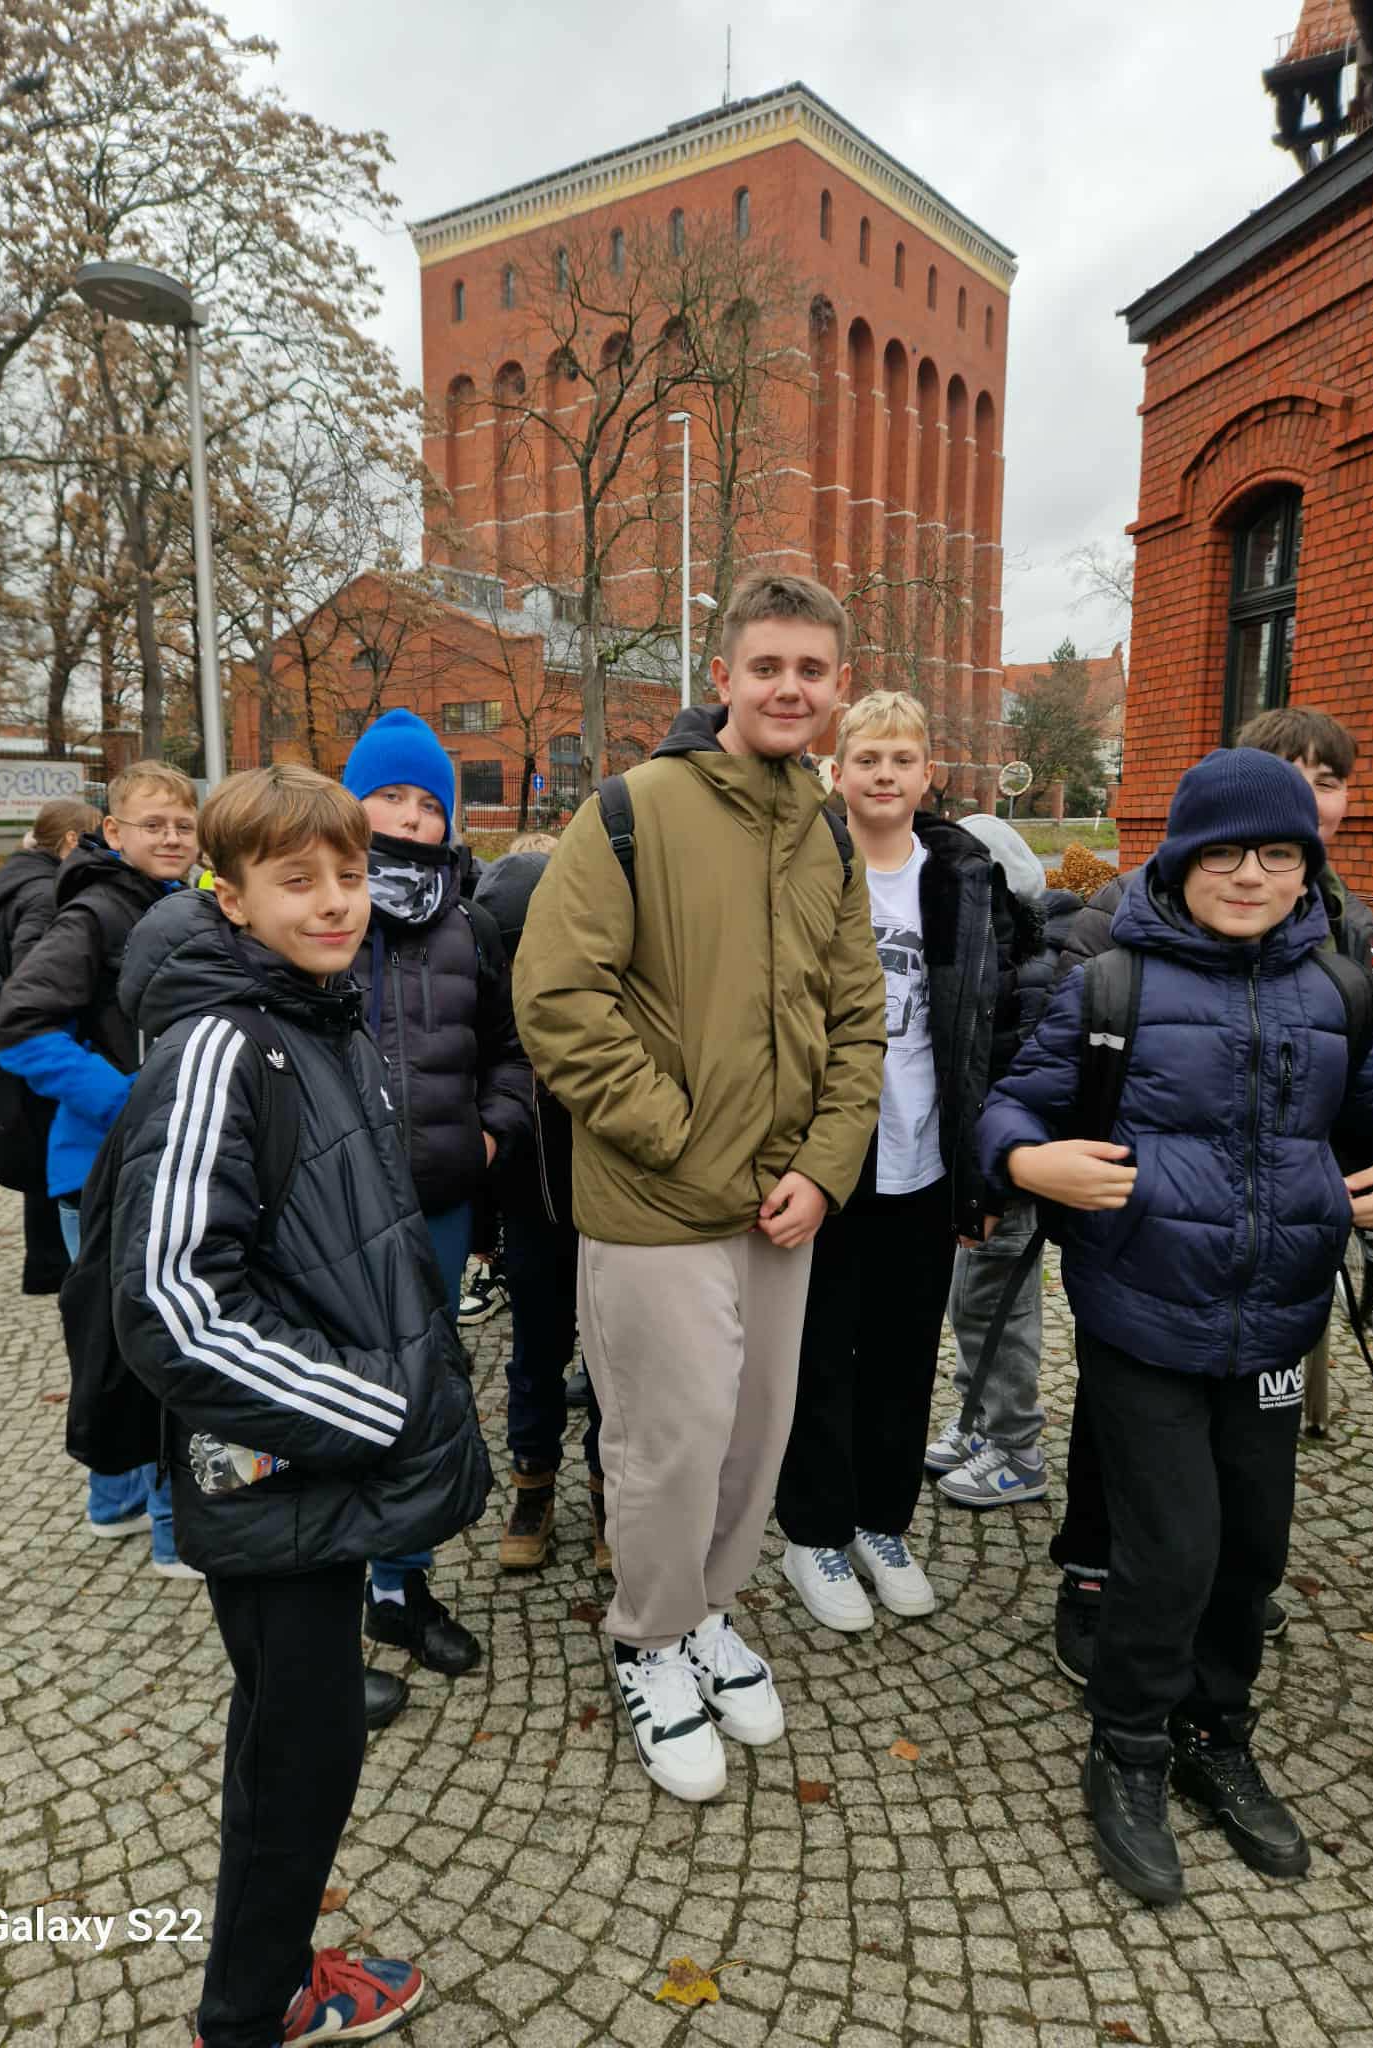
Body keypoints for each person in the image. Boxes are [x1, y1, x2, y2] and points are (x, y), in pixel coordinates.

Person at [979, 748, 1373, 1904]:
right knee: (1169, 1545)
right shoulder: (1113, 983)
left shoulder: (1337, 988)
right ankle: (1127, 1743)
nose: (1251, 873)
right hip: (1141, 1316)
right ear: (1180, 859)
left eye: (1278, 852)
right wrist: (1028, 1160)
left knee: (1251, 1550)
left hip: (1277, 1324)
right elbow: (1012, 1105)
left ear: (1306, 866)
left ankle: (1216, 1733)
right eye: (1225, 851)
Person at [104, 764, 489, 2048]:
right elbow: (173, 1300)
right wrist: (372, 1407)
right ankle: (250, 2008)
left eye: (350, 874)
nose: (335, 902)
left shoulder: (320, 1016)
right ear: (230, 895)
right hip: (278, 1463)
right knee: (298, 1749)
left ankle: (263, 1977)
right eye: (297, 880)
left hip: (313, 1464)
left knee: (301, 1737)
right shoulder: (224, 1044)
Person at [513, 569, 885, 1804]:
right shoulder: (631, 810)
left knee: (752, 1433)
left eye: (811, 669)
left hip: (783, 1206)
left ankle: (708, 1611)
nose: (789, 686)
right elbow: (557, 1001)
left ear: (838, 688)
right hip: (657, 1200)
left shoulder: (827, 828)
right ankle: (648, 1636)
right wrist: (680, 1137)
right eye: (766, 665)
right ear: (721, 676)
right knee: (667, 1441)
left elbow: (858, 1021)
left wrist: (826, 1166)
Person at [1048, 708, 1373, 1680]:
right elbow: (1063, 1052)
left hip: (1273, 1237)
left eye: (1326, 779)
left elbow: (1356, 1076)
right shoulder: (1129, 912)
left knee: (1242, 1450)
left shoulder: (1342, 920)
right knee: (1125, 1412)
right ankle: (1095, 1566)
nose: (1308, 793)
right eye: (1286, 772)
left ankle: (1218, 1580)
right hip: (1147, 1240)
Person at [773, 696, 1026, 1631]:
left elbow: (995, 1030)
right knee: (819, 1353)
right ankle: (813, 1530)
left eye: (903, 759)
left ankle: (883, 1521)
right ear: (836, 771)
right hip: (829, 1159)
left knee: (904, 1354)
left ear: (928, 775)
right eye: (868, 758)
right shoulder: (805, 866)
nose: (885, 774)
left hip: (925, 1158)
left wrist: (981, 1170)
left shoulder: (961, 881)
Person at [340, 712, 531, 1678]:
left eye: (429, 803)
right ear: (352, 804)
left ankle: (400, 1586)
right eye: (390, 797)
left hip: (443, 1202)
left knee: (422, 1393)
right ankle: (322, 1599)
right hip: (332, 1210)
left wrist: (490, 1131)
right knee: (335, 1394)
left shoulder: (472, 925)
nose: (412, 818)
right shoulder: (323, 909)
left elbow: (510, 1051)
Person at [0, 761, 201, 1576]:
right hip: (104, 1167)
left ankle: (113, 1501)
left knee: (110, 1337)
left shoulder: (172, 900)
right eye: (153, 824)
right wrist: (126, 1103)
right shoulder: (95, 912)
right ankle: (173, 1530)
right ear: (112, 832)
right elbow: (21, 1026)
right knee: (151, 1341)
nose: (172, 837)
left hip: (133, 1161)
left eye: (183, 824)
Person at [474, 835, 609, 1571]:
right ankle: (533, 1486)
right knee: (535, 1358)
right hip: (532, 1215)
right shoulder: (495, 1027)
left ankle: (609, 1488)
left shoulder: (607, 998)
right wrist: (485, 1224)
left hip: (612, 1215)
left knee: (614, 1362)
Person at [926, 812, 1066, 1508]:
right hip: (980, 1172)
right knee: (970, 1302)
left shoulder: (1021, 971)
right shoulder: (997, 954)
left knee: (997, 1306)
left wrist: (993, 1186)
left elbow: (1016, 1085)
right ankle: (978, 1418)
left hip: (1003, 1176)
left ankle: (1016, 1444)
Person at [0, 799, 101, 1294]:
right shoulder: (46, 891)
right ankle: (58, 1272)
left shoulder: (13, 879)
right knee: (50, 1159)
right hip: (39, 1044)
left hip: (15, 1045)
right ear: (71, 841)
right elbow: (34, 975)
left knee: (39, 1157)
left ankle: (48, 1269)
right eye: (92, 839)